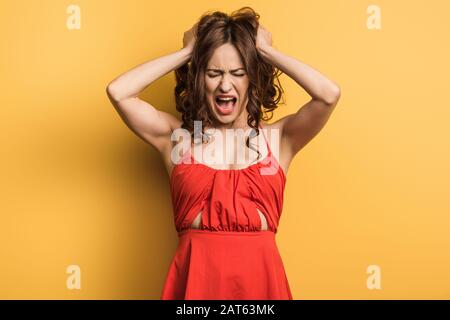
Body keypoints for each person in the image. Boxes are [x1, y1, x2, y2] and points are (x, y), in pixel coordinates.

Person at [106, 7, 340, 300]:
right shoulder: (179, 139)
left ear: (252, 79)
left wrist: (265, 51)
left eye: (238, 73)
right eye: (213, 73)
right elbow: (119, 92)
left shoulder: (278, 139)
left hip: (261, 285)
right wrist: (188, 52)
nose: (225, 85)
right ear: (198, 78)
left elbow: (328, 94)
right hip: (196, 283)